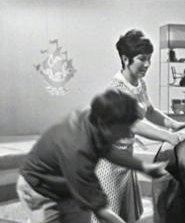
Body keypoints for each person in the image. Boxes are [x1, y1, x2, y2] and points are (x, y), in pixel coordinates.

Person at [16, 89, 168, 223]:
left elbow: (106, 150)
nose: (129, 133)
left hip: (68, 188)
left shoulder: (95, 118)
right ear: (105, 125)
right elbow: (101, 211)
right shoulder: (78, 150)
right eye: (125, 128)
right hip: (41, 191)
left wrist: (143, 167)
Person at [92, 29, 185, 223]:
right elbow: (134, 124)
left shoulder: (139, 84)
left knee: (126, 217)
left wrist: (172, 124)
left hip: (125, 159)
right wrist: (167, 136)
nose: (147, 64)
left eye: (149, 59)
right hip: (108, 164)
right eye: (141, 59)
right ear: (125, 59)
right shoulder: (116, 89)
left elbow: (150, 110)